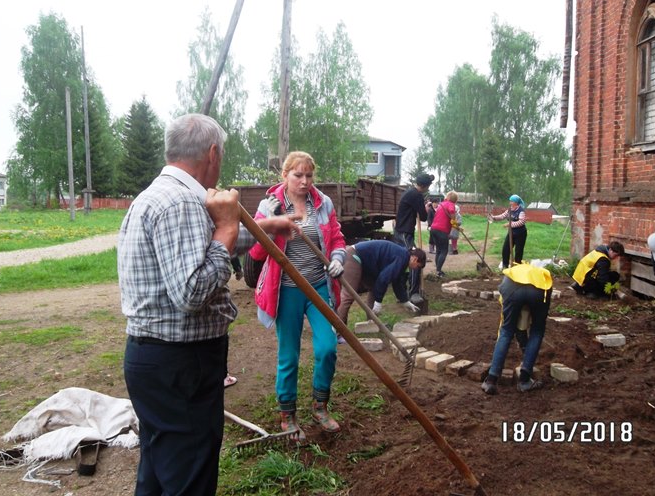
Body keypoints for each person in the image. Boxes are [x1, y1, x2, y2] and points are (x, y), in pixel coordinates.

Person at [118, 113, 300, 496]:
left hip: (153, 360)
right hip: (182, 364)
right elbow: (191, 292)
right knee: (190, 479)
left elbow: (199, 251)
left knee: (158, 470)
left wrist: (259, 227)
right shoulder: (182, 203)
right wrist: (227, 229)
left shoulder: (153, 196)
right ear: (213, 153)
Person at [249, 151, 347, 442]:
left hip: (318, 285)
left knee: (327, 347)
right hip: (288, 289)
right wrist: (269, 220)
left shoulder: (323, 203)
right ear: (285, 175)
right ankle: (287, 414)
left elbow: (337, 238)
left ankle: (320, 406)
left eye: (309, 176)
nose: (304, 181)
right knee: (289, 354)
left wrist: (339, 257)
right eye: (297, 175)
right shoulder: (271, 206)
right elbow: (255, 253)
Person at [481, 263, 553, 395]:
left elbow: (510, 322)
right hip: (538, 290)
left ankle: (491, 381)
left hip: (512, 288)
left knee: (506, 331)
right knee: (537, 330)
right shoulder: (543, 275)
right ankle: (524, 381)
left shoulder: (510, 274)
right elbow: (531, 319)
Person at [336, 241, 427, 329]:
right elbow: (383, 279)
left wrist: (405, 301)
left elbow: (397, 282)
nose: (415, 269)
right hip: (354, 256)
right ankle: (339, 331)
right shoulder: (402, 258)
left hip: (365, 262)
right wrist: (378, 302)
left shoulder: (403, 258)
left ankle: (372, 322)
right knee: (348, 295)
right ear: (414, 259)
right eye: (418, 266)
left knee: (373, 287)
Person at [393, 173, 433, 298]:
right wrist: (426, 208)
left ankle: (402, 293)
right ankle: (414, 293)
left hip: (401, 231)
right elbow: (423, 217)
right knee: (416, 259)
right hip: (404, 233)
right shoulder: (416, 195)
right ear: (425, 186)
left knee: (403, 261)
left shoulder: (410, 192)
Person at [490, 195, 527, 268]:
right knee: (506, 249)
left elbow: (521, 222)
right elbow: (502, 216)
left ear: (516, 202)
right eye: (510, 201)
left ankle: (517, 267)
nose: (510, 203)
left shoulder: (521, 211)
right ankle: (505, 266)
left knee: (518, 251)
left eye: (511, 201)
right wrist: (493, 217)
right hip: (511, 233)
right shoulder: (510, 209)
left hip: (521, 233)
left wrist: (509, 224)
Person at [430, 191, 459, 278]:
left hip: (433, 229)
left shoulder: (442, 204)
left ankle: (437, 271)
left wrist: (455, 225)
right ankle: (438, 271)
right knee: (444, 251)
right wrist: (454, 222)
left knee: (439, 250)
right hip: (442, 231)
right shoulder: (451, 204)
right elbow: (451, 212)